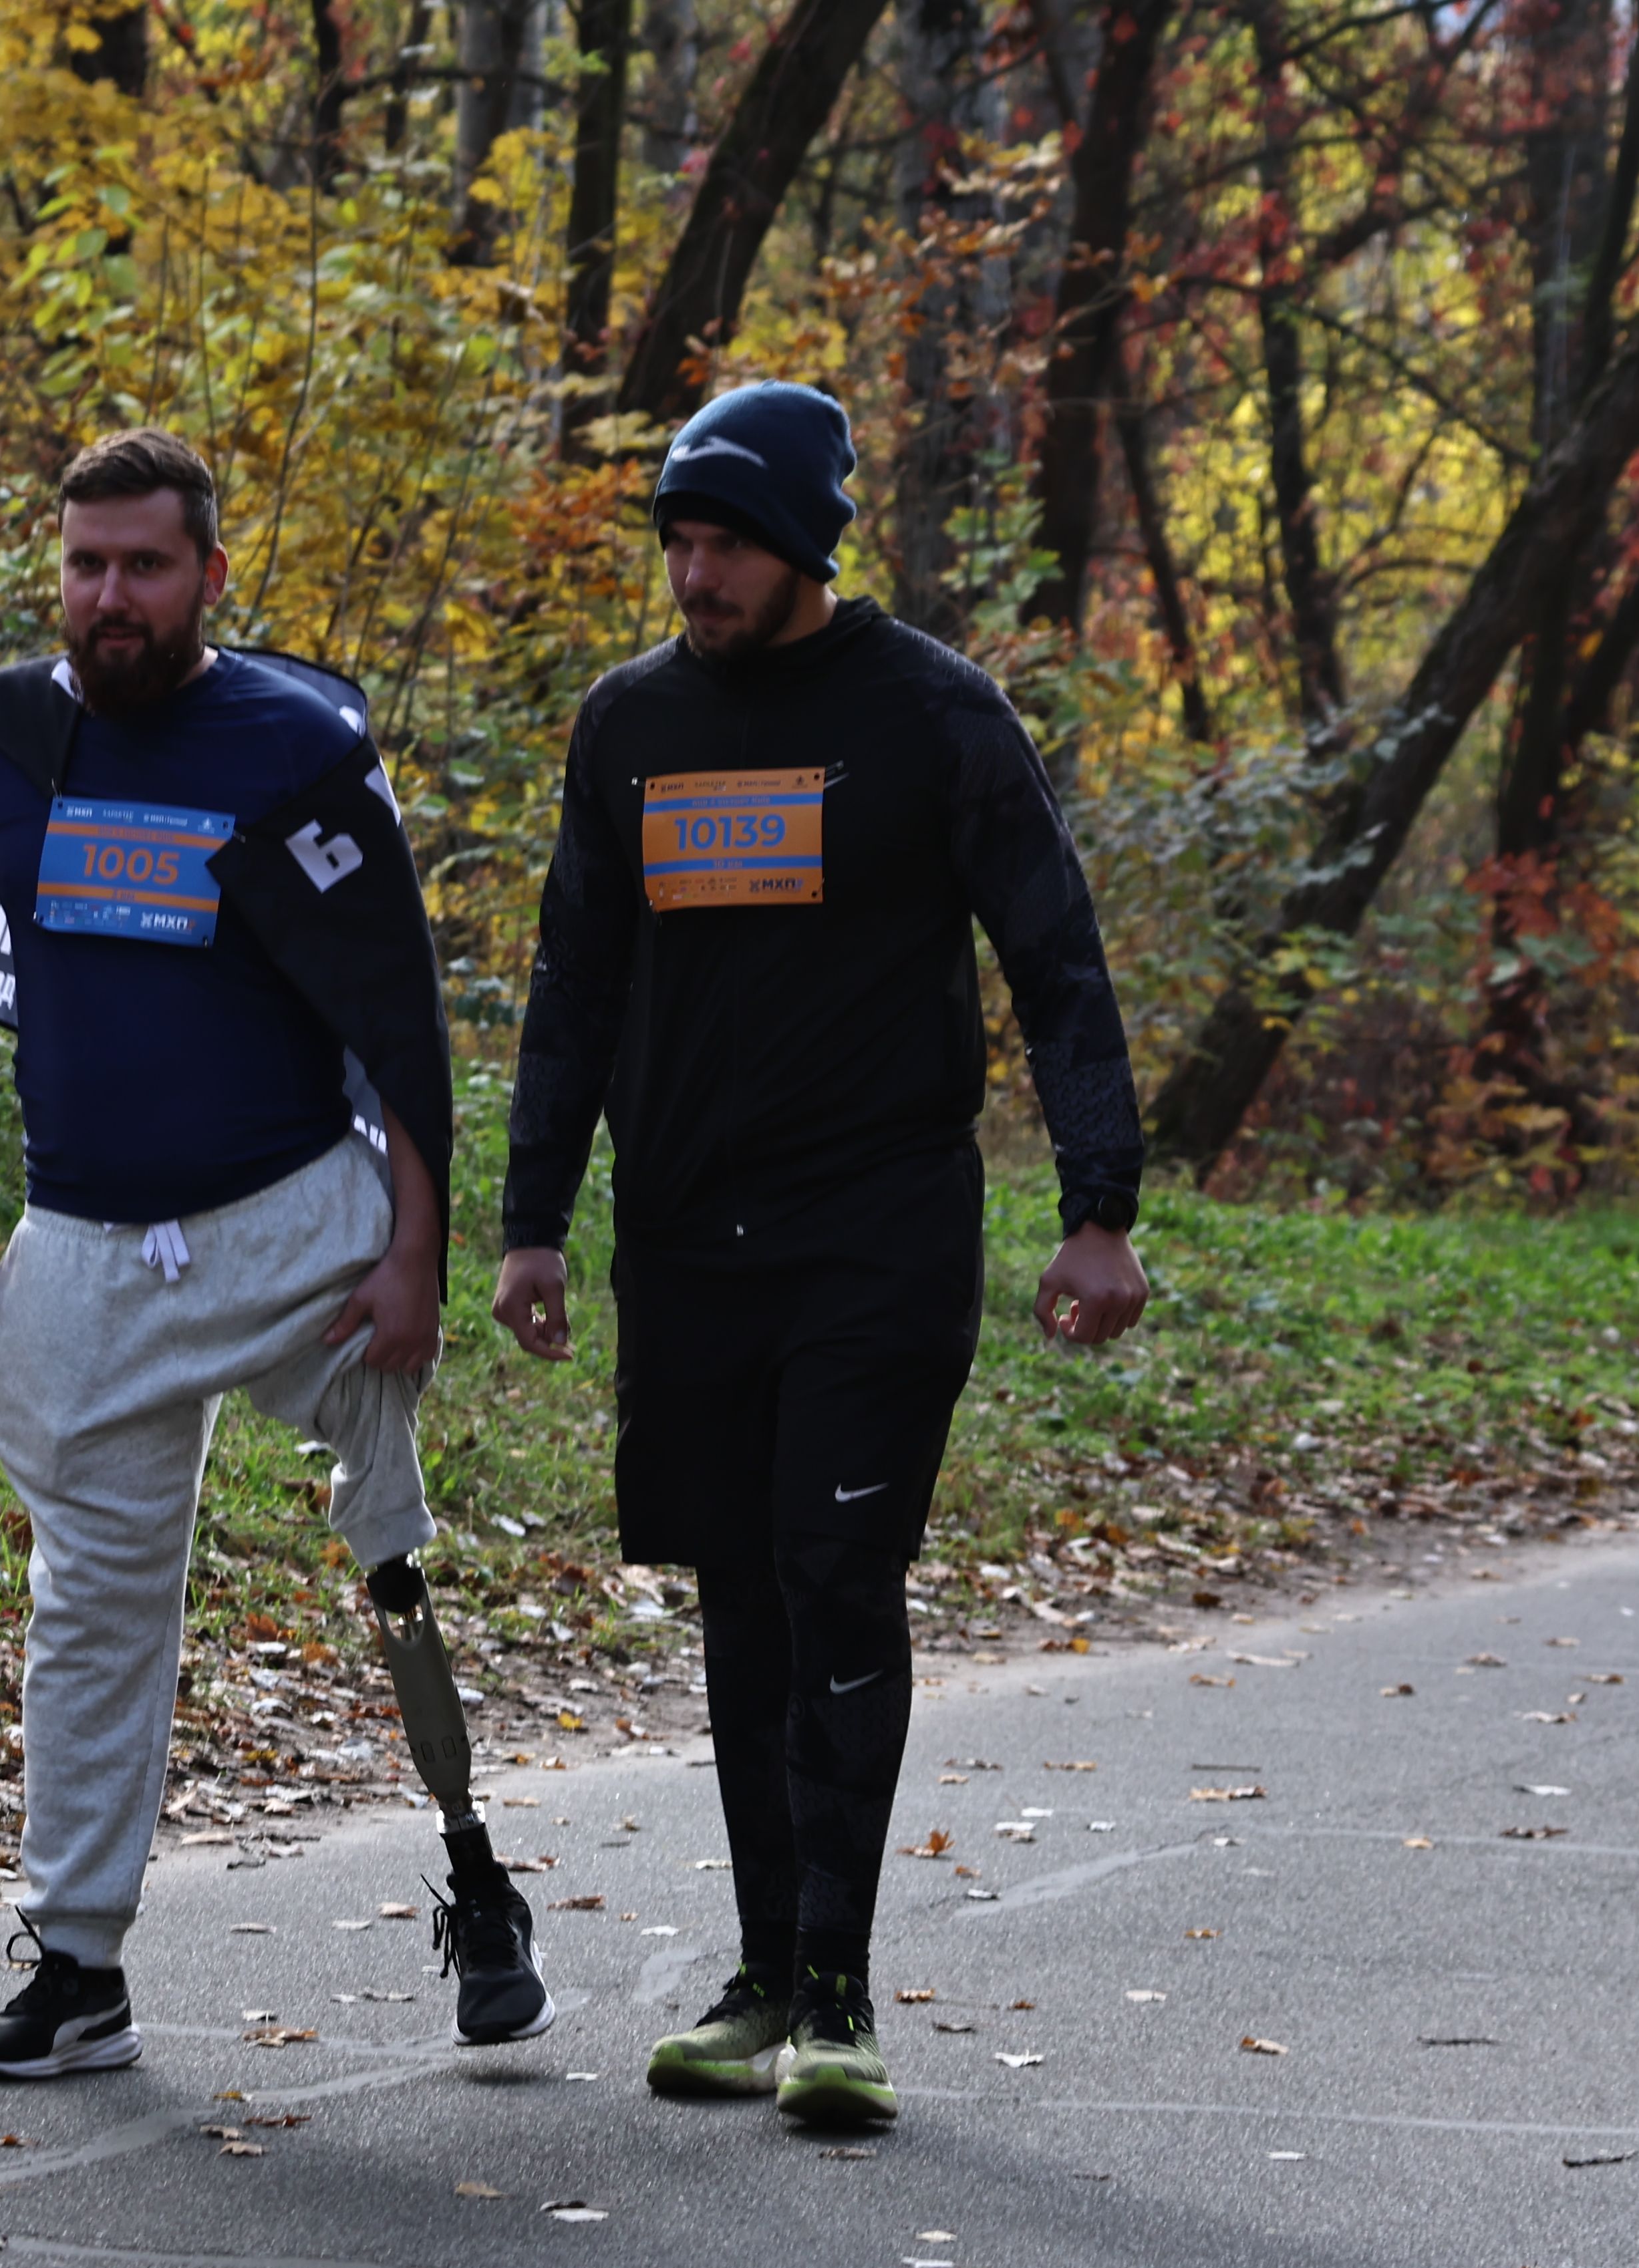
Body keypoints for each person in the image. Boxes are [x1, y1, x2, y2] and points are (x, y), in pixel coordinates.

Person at [490, 380, 1151, 2126]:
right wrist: (531, 1218)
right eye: (679, 541)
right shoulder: (629, 727)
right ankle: (765, 1972)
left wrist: (1102, 1208)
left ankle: (841, 1995)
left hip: (880, 1227)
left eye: (726, 541)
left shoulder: (932, 717)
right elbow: (575, 984)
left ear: (804, 543)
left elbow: (1057, 962)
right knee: (739, 1591)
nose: (694, 572)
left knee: (836, 1577)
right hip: (692, 1239)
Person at [0, 426, 548, 2079]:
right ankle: (77, 1964)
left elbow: (397, 1010)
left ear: (209, 574)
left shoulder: (297, 745)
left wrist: (416, 1248)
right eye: (86, 563)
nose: (111, 596)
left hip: (299, 1218)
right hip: (86, 1247)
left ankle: (477, 1877)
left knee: (388, 1545)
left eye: (146, 565)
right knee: (87, 1606)